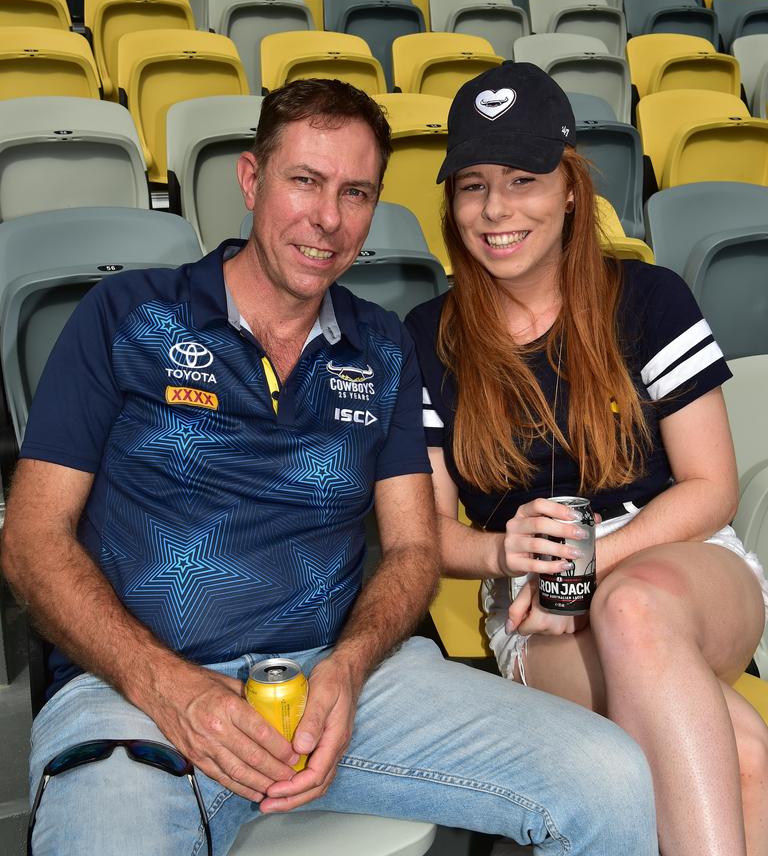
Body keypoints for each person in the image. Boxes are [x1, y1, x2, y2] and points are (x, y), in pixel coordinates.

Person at [0, 78, 658, 856]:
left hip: (344, 685)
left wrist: (347, 669)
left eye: (356, 193)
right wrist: (164, 685)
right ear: (251, 179)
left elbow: (414, 548)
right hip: (131, 691)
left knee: (612, 777)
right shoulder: (127, 316)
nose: (327, 219)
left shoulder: (383, 347)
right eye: (303, 181)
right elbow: (32, 538)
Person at [405, 62, 768, 856]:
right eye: (472, 184)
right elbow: (424, 533)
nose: (496, 209)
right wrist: (505, 550)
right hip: (536, 604)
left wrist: (594, 556)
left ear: (569, 188)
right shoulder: (424, 337)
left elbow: (710, 488)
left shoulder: (651, 297)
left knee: (635, 606)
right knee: (738, 755)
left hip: (681, 559)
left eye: (523, 179)